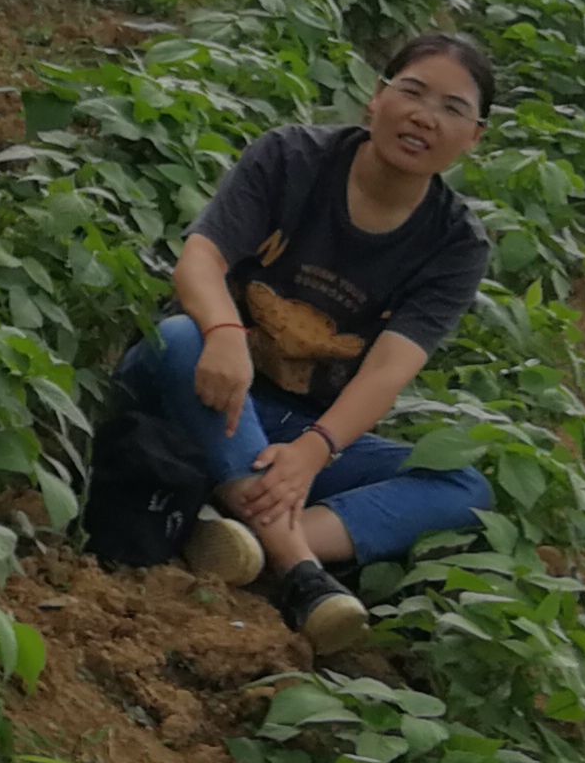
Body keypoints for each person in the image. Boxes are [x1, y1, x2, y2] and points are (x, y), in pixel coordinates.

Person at [118, 33, 503, 652]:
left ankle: (245, 535)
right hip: (201, 385)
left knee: (462, 485)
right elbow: (200, 258)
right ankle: (301, 573)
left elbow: (387, 368)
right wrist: (223, 334)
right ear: (376, 99)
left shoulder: (455, 243)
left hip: (296, 431)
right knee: (178, 337)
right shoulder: (293, 159)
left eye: (453, 109)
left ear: (474, 138)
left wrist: (316, 451)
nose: (425, 116)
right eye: (411, 92)